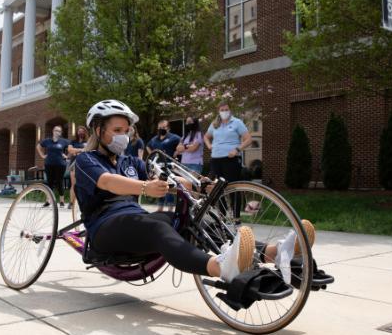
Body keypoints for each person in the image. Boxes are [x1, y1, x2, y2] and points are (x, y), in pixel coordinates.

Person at [73, 99, 310, 283]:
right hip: (105, 228)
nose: (123, 136)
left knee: (197, 220)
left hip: (134, 218)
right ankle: (219, 267)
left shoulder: (130, 162)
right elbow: (107, 181)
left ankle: (275, 251)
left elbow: (166, 177)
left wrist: (198, 183)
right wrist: (145, 187)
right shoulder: (86, 160)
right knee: (156, 226)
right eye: (116, 130)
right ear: (97, 129)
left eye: (126, 130)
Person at [203, 101, 251, 217]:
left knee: (233, 189)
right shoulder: (215, 124)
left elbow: (248, 139)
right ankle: (222, 217)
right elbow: (206, 136)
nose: (224, 112)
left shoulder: (237, 122)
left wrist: (237, 150)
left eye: (226, 109)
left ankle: (236, 217)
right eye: (222, 110)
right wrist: (209, 145)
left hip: (231, 160)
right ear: (218, 111)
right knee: (218, 189)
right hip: (216, 160)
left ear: (230, 110)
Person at [146, 119, 181, 211]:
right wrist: (152, 155)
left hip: (169, 167)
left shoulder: (174, 138)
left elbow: (182, 145)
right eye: (160, 128)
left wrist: (176, 153)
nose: (161, 129)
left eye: (164, 127)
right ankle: (160, 210)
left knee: (170, 189)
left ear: (168, 128)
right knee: (159, 188)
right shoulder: (154, 139)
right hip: (157, 168)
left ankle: (169, 210)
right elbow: (148, 146)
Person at [37, 125, 70, 207]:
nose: (57, 132)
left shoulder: (64, 141)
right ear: (53, 131)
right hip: (49, 164)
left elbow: (71, 147)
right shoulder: (47, 141)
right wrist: (42, 155)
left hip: (60, 165)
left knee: (59, 182)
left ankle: (61, 201)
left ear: (60, 133)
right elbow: (38, 146)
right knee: (49, 182)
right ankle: (48, 200)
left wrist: (67, 156)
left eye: (59, 131)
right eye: (56, 130)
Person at [66, 125, 88, 209]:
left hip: (85, 164)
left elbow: (89, 150)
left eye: (82, 131)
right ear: (77, 132)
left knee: (85, 184)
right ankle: (71, 202)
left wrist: (76, 151)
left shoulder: (88, 141)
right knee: (74, 184)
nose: (80, 133)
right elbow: (70, 150)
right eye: (79, 131)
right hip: (74, 164)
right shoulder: (72, 142)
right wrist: (82, 150)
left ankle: (84, 202)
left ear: (85, 132)